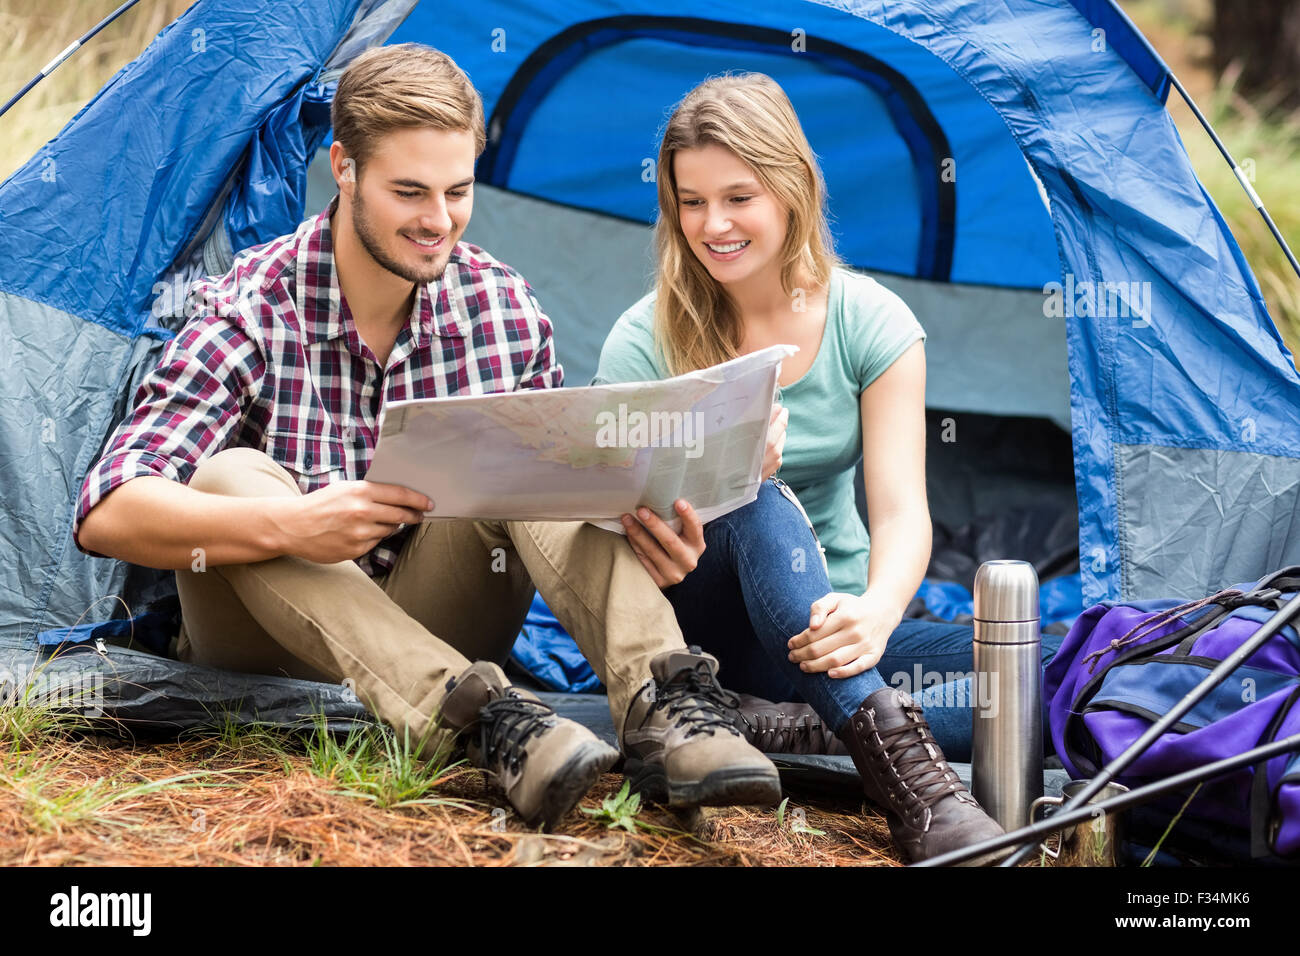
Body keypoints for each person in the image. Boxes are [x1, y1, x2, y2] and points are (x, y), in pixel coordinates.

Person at [71, 44, 783, 832]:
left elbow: (564, 516)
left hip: (444, 618)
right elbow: (107, 510)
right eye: (409, 191)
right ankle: (483, 723)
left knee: (538, 455)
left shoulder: (503, 309)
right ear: (342, 169)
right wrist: (294, 524)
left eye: (457, 190)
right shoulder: (251, 307)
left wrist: (644, 533)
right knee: (233, 474)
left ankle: (668, 711)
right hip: (271, 644)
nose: (437, 221)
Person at [594, 73, 1051, 863]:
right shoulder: (643, 341)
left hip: (833, 630)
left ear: (793, 188)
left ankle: (807, 722)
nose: (715, 224)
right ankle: (920, 793)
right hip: (701, 634)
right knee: (755, 493)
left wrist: (875, 610)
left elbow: (904, 511)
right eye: (692, 202)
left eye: (740, 197)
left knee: (1038, 672)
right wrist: (710, 486)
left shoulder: (869, 321)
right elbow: (599, 517)